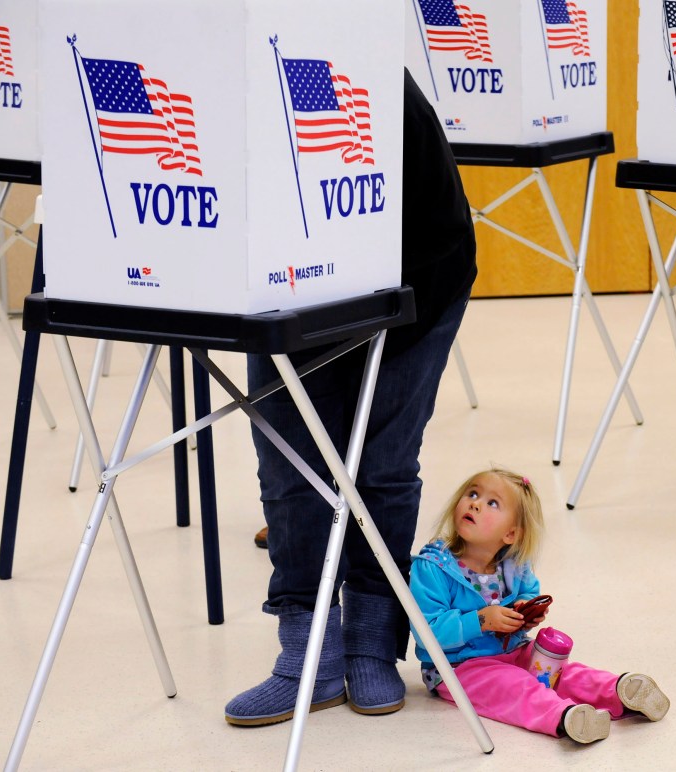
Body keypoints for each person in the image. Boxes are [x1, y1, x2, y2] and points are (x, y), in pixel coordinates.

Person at [225, 68, 477, 726]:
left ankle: (370, 642)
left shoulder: (352, 77)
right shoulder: (217, 78)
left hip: (416, 278)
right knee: (291, 468)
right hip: (283, 282)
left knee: (381, 465)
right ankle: (305, 655)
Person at [409, 467, 670, 744]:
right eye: (472, 493)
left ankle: (618, 692)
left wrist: (526, 611)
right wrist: (481, 620)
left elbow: (529, 591)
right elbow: (428, 632)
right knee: (516, 686)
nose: (475, 503)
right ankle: (565, 717)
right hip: (459, 668)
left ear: (510, 534)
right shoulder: (433, 567)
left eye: (492, 503)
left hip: (515, 649)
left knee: (563, 672)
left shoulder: (513, 565)